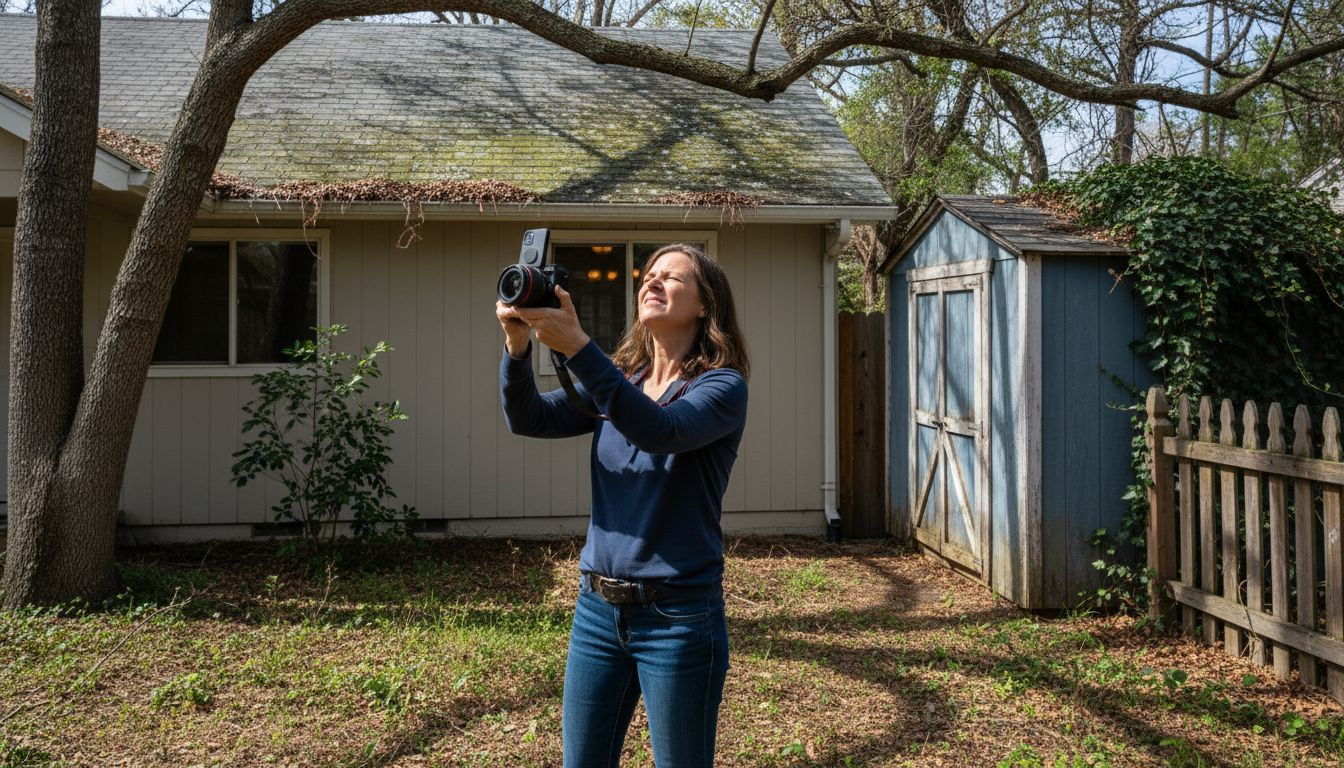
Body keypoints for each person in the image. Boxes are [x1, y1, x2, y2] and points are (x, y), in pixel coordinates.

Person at [496, 243, 750, 768]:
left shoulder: (722, 387)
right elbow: (529, 419)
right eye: (648, 275)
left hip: (678, 616)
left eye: (671, 278)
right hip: (597, 612)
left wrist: (579, 347)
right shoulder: (622, 380)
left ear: (706, 305)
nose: (652, 282)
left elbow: (661, 430)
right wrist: (517, 347)